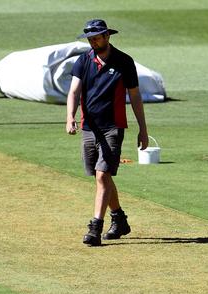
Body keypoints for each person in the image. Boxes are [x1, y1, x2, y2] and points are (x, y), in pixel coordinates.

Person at [66, 19, 149, 247]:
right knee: (100, 176)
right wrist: (70, 117)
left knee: (102, 175)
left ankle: (95, 228)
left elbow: (135, 96)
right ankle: (119, 219)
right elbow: (74, 91)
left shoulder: (124, 62)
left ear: (107, 36)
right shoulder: (83, 61)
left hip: (113, 126)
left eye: (96, 37)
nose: (93, 41)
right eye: (90, 38)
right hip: (88, 127)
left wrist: (143, 129)